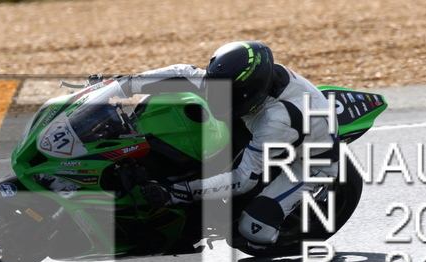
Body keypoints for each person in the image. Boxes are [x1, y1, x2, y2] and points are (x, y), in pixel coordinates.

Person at [113, 41, 339, 249]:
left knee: (253, 232)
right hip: (270, 127)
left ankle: (279, 235)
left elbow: (242, 179)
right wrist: (123, 85)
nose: (216, 94)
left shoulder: (276, 121)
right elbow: (184, 74)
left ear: (248, 92)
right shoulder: (243, 81)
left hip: (310, 162)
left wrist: (175, 193)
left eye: (226, 92)